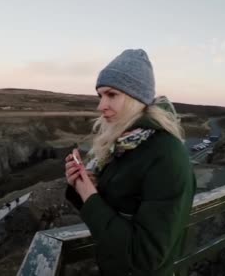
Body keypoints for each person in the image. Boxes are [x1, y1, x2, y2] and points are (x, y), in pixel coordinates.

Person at [65, 48, 195, 276]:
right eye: (100, 95)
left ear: (137, 97)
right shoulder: (126, 144)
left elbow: (145, 255)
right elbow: (116, 210)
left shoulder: (166, 156)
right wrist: (83, 186)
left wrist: (89, 196)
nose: (100, 105)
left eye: (112, 94)